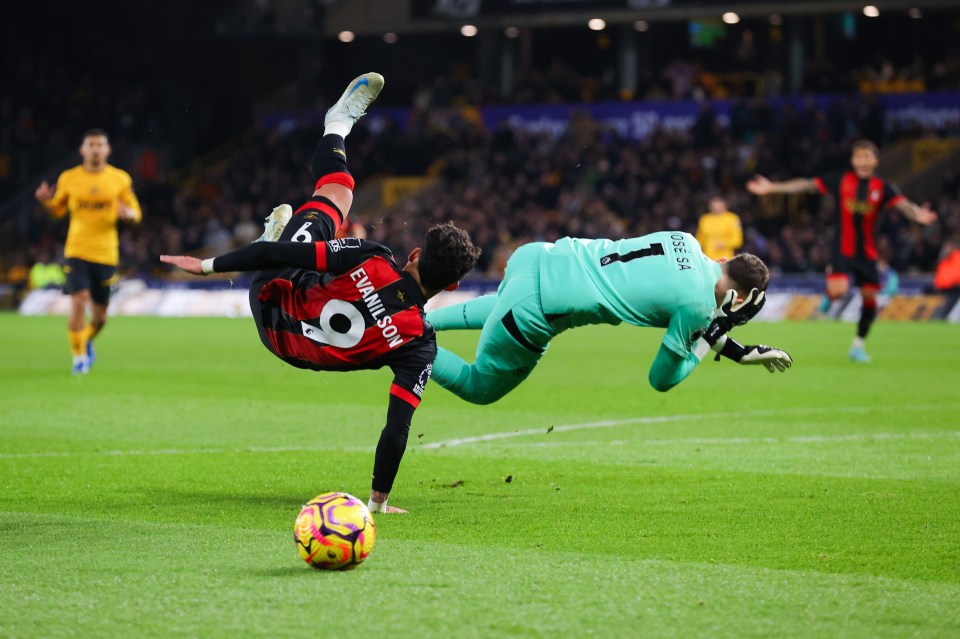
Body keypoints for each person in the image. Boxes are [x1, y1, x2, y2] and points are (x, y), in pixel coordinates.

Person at [161, 73, 481, 514]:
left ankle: (337, 126)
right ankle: (277, 241)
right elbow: (397, 429)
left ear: (413, 253)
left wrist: (208, 266)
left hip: (274, 293)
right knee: (298, 247)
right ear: (452, 286)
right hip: (285, 346)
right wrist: (377, 501)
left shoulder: (375, 258)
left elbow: (283, 254)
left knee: (337, 193)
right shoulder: (419, 344)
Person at [426, 232, 792, 406]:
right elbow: (661, 380)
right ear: (740, 299)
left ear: (726, 261)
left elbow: (693, 312)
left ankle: (420, 318)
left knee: (504, 307)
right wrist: (709, 338)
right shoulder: (697, 306)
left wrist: (736, 350)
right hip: (541, 307)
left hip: (538, 257)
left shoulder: (688, 240)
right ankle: (407, 338)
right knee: (479, 388)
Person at [746, 139, 937, 363]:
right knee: (838, 291)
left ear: (875, 161)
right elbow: (806, 184)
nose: (863, 161)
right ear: (853, 161)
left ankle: (858, 347)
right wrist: (772, 188)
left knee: (870, 301)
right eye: (859, 157)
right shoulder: (840, 180)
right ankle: (830, 296)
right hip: (843, 249)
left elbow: (905, 206)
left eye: (868, 157)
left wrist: (918, 215)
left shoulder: (882, 187)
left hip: (867, 252)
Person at [35, 129, 142, 374]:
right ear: (82, 150)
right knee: (78, 301)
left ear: (108, 150)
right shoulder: (69, 178)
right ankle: (78, 358)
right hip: (77, 250)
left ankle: (86, 339)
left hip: (106, 254)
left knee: (100, 317)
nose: (95, 149)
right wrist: (46, 202)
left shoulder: (120, 179)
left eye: (100, 145)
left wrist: (130, 214)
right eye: (91, 145)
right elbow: (58, 210)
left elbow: (136, 212)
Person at [696, 194, 743, 261]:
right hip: (707, 259)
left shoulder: (732, 219)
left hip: (725, 259)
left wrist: (724, 243)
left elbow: (738, 240)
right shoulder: (704, 219)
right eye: (714, 207)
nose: (716, 209)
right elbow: (699, 240)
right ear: (710, 206)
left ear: (725, 206)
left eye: (719, 207)